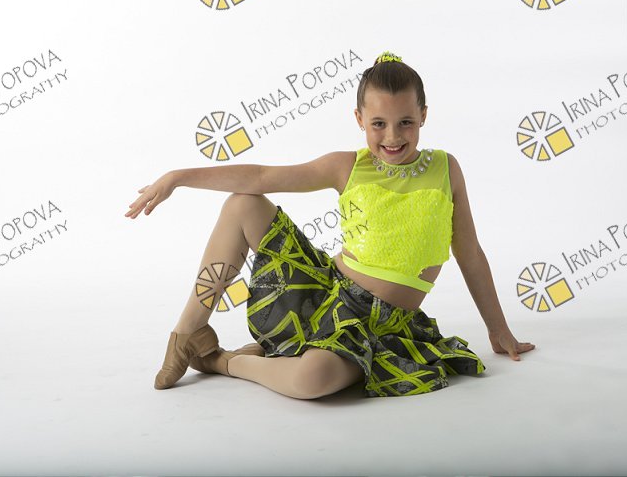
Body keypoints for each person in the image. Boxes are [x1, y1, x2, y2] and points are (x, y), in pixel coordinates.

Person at [125, 51, 536, 399]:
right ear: (359, 118)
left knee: (313, 381)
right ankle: (188, 334)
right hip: (321, 293)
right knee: (242, 204)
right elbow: (261, 177)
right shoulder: (347, 166)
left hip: (380, 324)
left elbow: (469, 252)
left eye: (405, 122)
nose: (393, 137)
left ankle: (224, 361)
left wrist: (497, 328)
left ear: (423, 116)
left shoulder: (446, 169)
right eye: (379, 124)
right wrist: (178, 177)